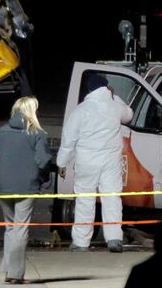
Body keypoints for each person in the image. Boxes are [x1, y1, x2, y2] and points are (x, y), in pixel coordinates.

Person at [56, 73, 133, 253]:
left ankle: (81, 242)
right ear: (106, 88)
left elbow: (68, 141)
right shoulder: (115, 106)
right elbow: (129, 115)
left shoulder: (81, 110)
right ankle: (114, 239)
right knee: (112, 198)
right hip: (111, 163)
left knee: (85, 200)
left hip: (86, 163)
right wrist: (116, 96)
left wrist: (62, 163)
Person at [0, 96, 52, 284]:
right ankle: (15, 274)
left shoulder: (2, 132)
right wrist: (43, 179)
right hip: (26, 188)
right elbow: (43, 160)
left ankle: (8, 269)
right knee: (20, 229)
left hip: (4, 188)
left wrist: (1, 174)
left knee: (10, 228)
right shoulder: (37, 133)